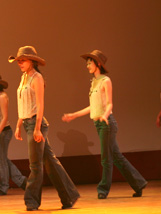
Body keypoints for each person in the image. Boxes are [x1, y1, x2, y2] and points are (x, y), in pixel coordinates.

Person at [62, 50, 147, 199]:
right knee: (117, 157)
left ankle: (103, 189)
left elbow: (109, 104)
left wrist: (105, 115)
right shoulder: (94, 82)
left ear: (98, 64)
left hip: (107, 124)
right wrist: (74, 115)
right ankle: (138, 183)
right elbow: (93, 106)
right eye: (87, 63)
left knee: (106, 159)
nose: (87, 65)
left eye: (90, 63)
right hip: (99, 123)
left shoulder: (105, 81)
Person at [10, 46, 80, 211]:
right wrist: (18, 124)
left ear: (32, 61)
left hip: (36, 123)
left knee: (35, 165)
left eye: (23, 60)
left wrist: (37, 128)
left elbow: (40, 105)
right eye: (18, 61)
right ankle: (69, 196)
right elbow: (23, 103)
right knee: (50, 161)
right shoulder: (23, 77)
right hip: (27, 122)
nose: (20, 63)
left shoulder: (37, 78)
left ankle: (31, 201)